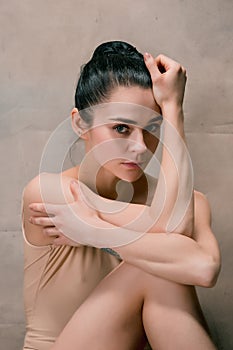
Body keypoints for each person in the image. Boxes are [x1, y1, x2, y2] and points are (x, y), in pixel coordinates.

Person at [23, 41, 221, 350]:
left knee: (160, 264)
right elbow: (180, 237)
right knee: (153, 268)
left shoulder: (194, 204)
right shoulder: (52, 193)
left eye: (154, 128)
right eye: (121, 128)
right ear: (80, 123)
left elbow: (205, 269)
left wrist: (92, 229)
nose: (141, 147)